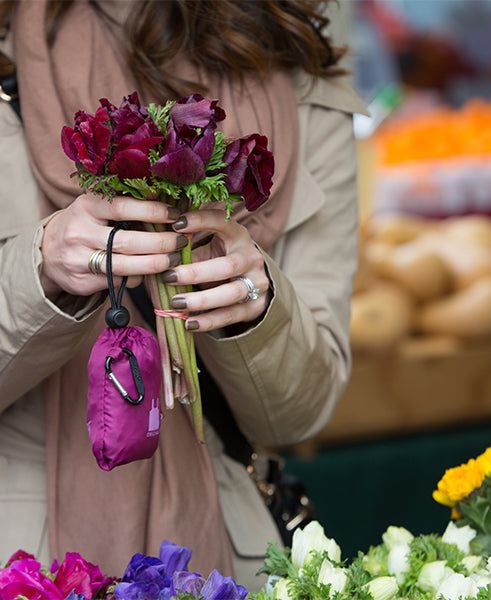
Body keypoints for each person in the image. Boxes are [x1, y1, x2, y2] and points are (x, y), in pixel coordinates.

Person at [0, 0, 366, 590]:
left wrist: (254, 312)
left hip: (221, 548)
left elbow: (303, 413)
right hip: (23, 555)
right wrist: (38, 270)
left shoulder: (295, 72)